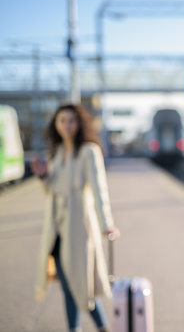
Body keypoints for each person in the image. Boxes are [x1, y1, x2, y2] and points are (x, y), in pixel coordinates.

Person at [32, 104, 119, 332]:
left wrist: (106, 223)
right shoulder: (57, 152)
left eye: (71, 120)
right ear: (56, 125)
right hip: (56, 228)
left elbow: (100, 190)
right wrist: (43, 177)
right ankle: (82, 328)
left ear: (80, 123)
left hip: (79, 227)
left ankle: (98, 327)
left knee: (81, 283)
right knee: (69, 286)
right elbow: (51, 191)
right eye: (62, 121)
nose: (67, 125)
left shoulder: (89, 151)